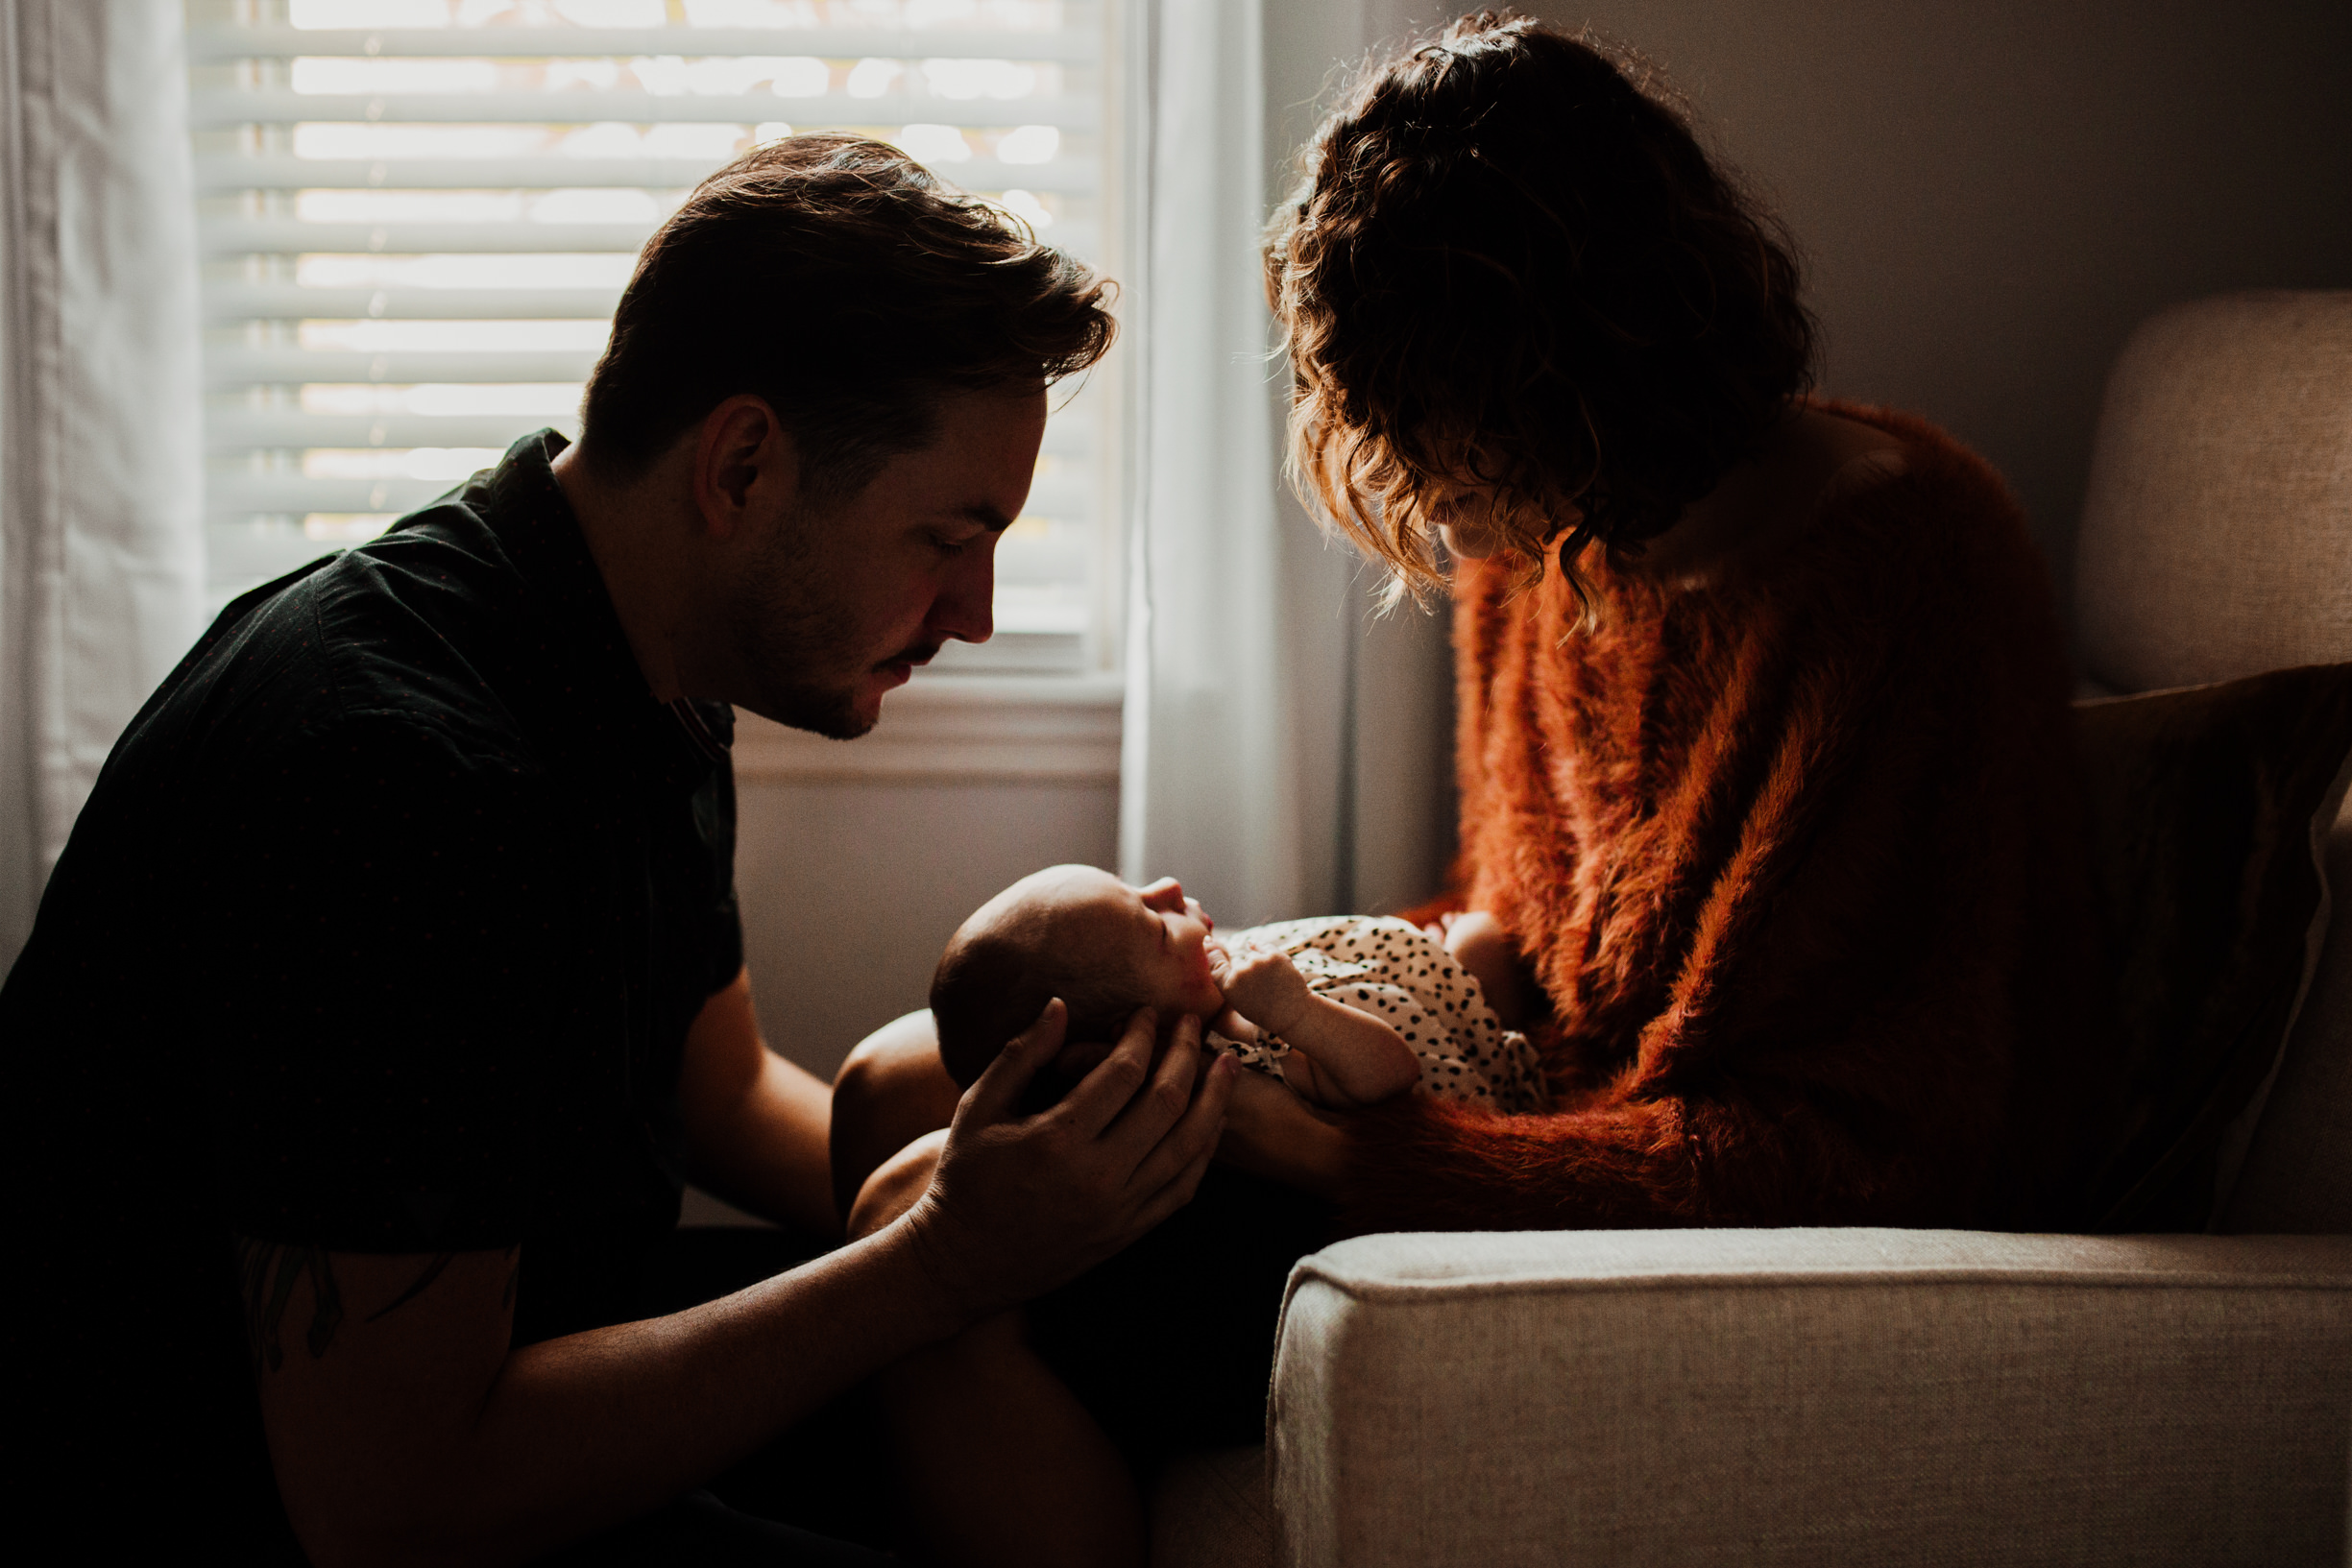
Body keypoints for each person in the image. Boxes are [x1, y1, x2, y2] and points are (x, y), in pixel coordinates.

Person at [831, 12, 2112, 1566]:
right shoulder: (1548, 527)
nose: (1423, 492)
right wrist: (1270, 998)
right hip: (1504, 1110)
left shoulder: (1904, 574)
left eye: (1444, 431)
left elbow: (1868, 1148)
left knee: (928, 1218)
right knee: (904, 1069)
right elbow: (1518, 932)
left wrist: (1320, 1145)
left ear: (1588, 364)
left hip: (1677, 1205)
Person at [1, 133, 1237, 1564]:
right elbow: (387, 1506)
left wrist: (1025, 1200)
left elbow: (714, 1098)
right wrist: (937, 1261)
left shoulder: (632, 654)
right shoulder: (395, 781)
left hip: (514, 1393)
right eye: (946, 536)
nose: (974, 610)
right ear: (745, 464)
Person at [928, 864, 1545, 1112]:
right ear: (1131, 1033)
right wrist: (1299, 1013)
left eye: (1132, 883)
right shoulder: (1244, 1063)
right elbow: (1393, 1073)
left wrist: (1419, 957)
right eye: (1152, 922)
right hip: (1476, 1084)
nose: (1168, 886)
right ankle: (1535, 1071)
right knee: (1486, 940)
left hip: (1429, 988)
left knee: (1477, 936)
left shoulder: (1217, 981)